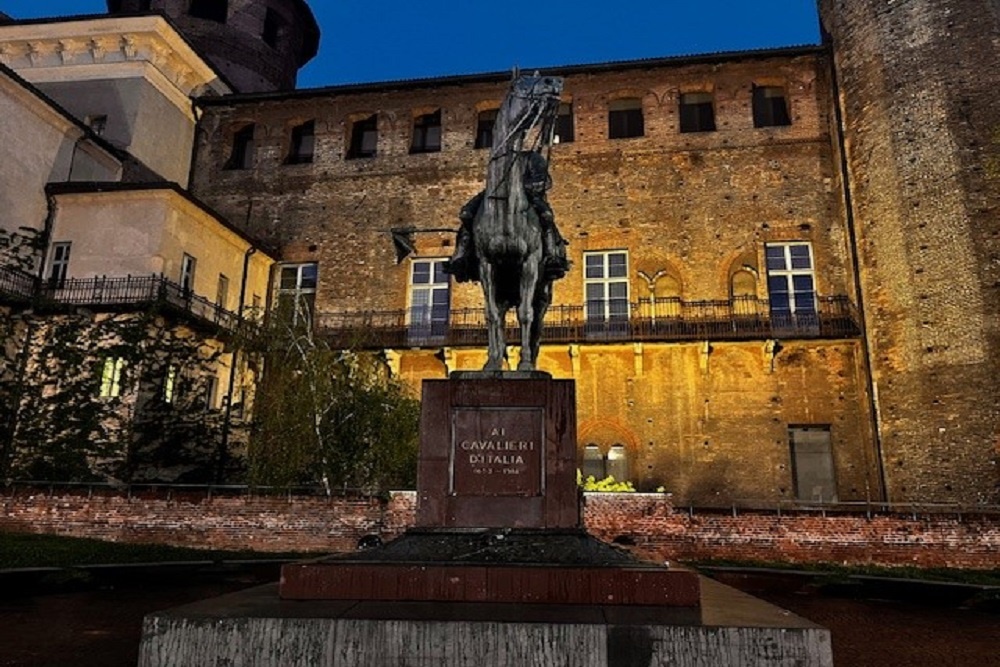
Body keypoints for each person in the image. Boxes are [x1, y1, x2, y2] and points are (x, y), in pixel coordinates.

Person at [444, 149, 570, 283]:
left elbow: (544, 181)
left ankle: (552, 256)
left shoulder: (531, 157)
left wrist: (519, 188)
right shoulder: (499, 159)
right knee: (466, 214)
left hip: (527, 195)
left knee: (546, 216)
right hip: (495, 194)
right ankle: (461, 256)